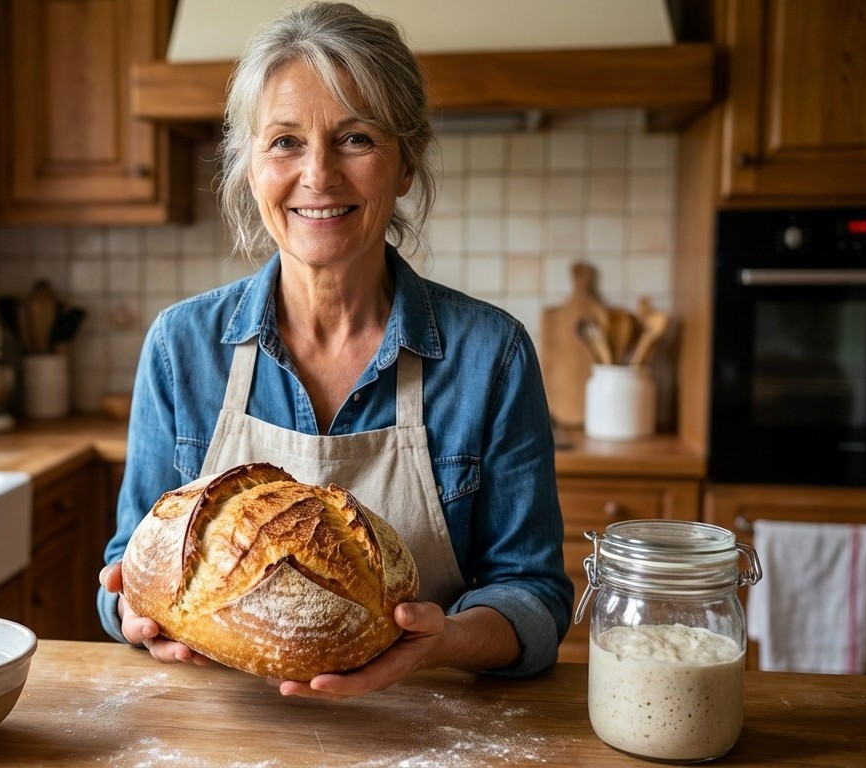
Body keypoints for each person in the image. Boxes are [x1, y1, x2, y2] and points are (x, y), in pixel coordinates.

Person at [97, 1, 572, 699]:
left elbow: (534, 597)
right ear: (250, 167)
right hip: (218, 734)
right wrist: (131, 614)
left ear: (404, 165)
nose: (317, 175)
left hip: (428, 726)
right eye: (284, 141)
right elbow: (127, 569)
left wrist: (438, 643)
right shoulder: (181, 346)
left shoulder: (489, 355)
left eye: (354, 138)